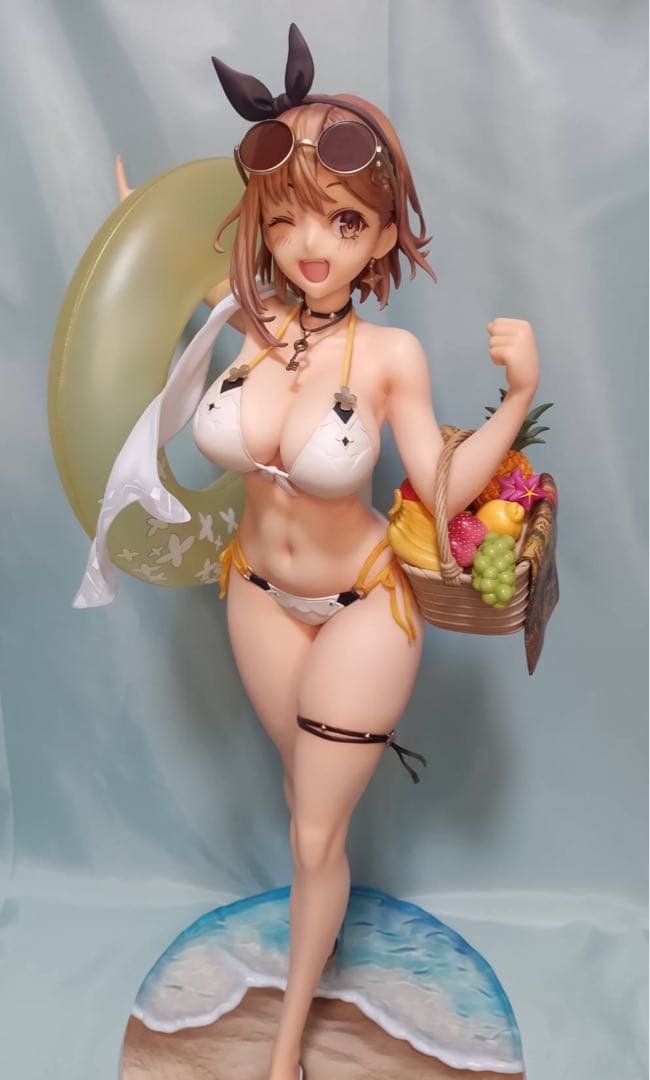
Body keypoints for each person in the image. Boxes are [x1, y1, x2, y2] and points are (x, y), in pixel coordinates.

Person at [114, 23, 540, 1080]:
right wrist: (131, 236)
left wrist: (520, 395)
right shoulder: (245, 324)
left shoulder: (389, 355)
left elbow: (440, 483)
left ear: (382, 234)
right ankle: (313, 948)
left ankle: (286, 1048)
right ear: (263, 225)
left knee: (311, 833)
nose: (314, 243)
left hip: (362, 611)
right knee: (308, 811)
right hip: (255, 598)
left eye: (344, 219)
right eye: (290, 216)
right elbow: (168, 316)